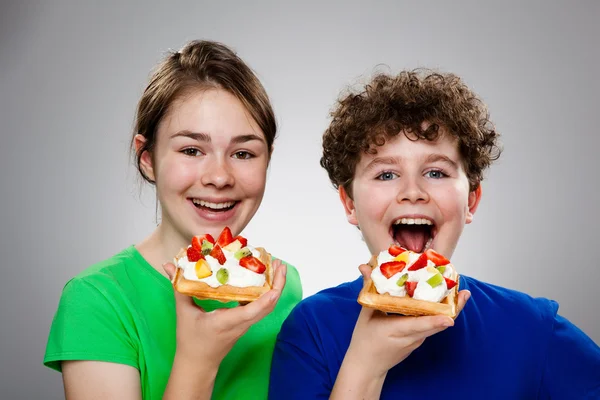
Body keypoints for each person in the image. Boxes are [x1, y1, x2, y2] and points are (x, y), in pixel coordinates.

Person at [269, 69, 600, 399]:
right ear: (350, 203)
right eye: (386, 174)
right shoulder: (310, 329)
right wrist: (364, 366)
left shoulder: (530, 328)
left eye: (436, 172)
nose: (412, 192)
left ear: (471, 199)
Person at [44, 40, 302, 400]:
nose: (219, 176)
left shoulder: (282, 285)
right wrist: (198, 360)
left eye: (243, 153)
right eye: (191, 150)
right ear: (147, 158)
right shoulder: (97, 299)